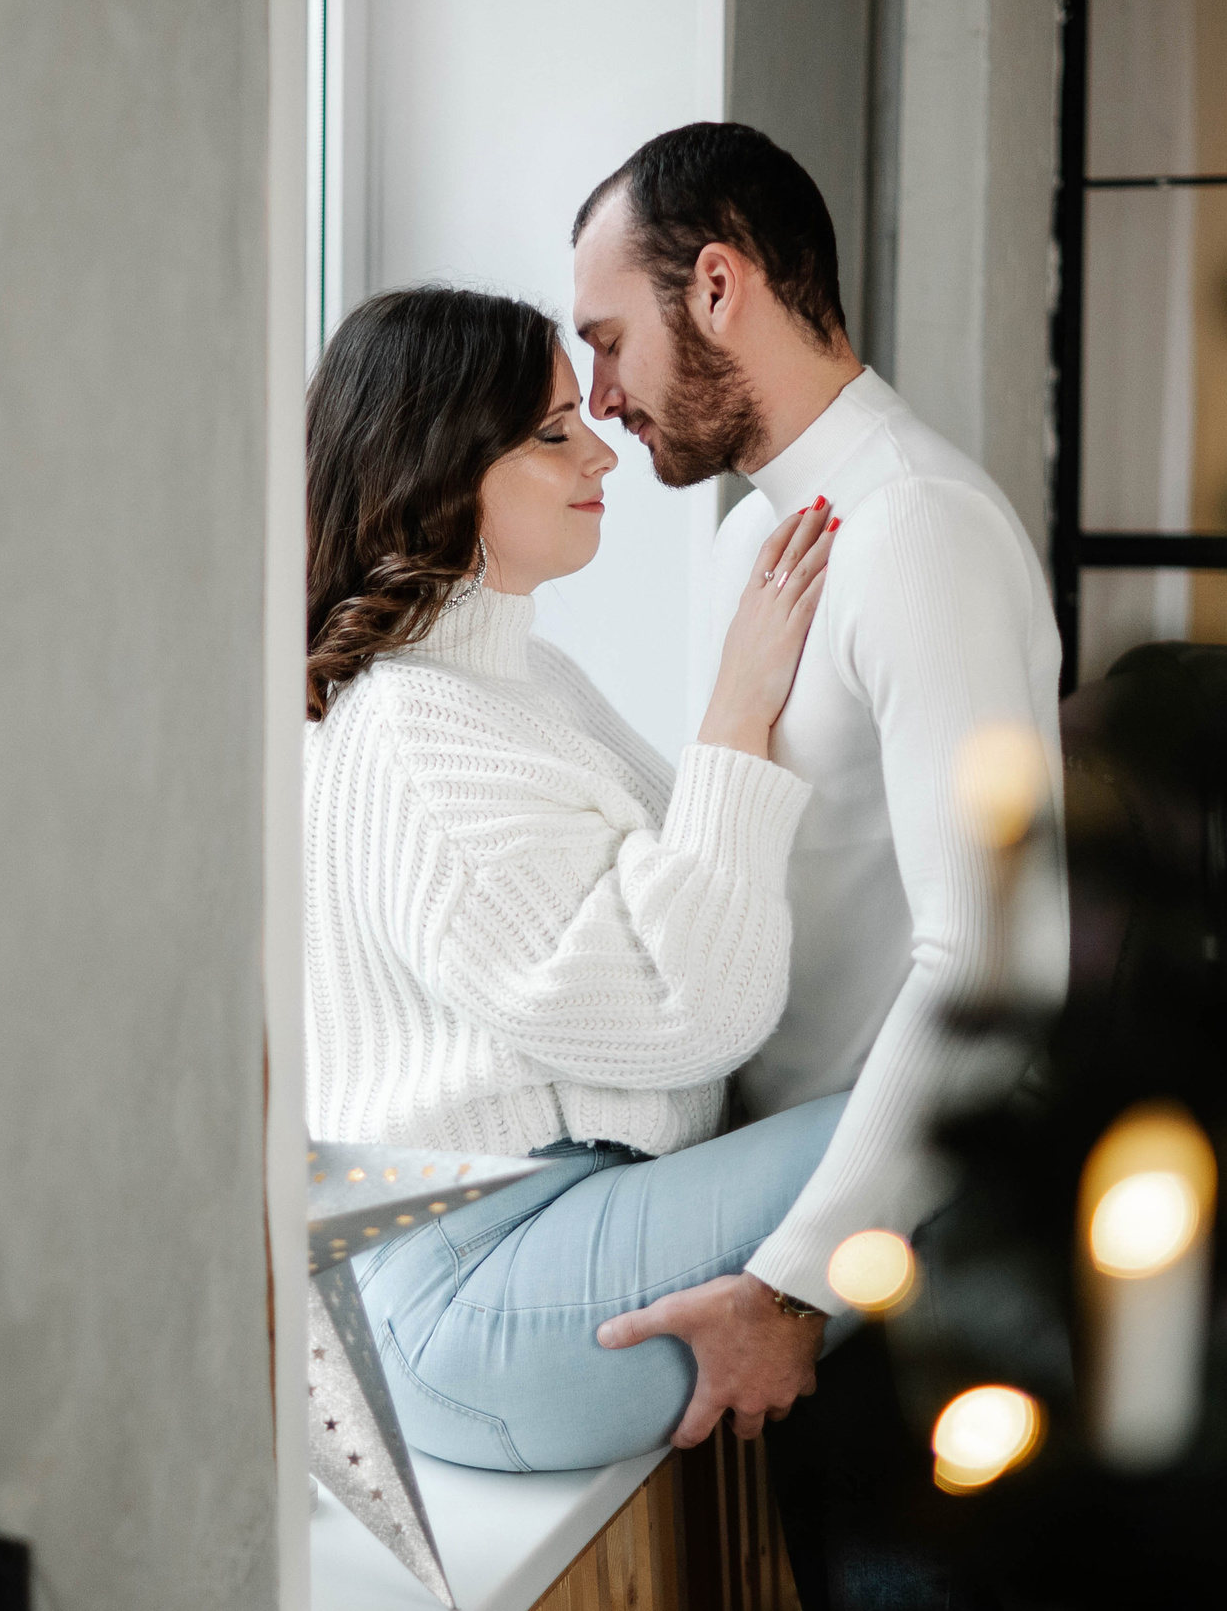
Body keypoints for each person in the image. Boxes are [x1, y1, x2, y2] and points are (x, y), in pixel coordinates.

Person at [568, 123, 1067, 1449]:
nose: (600, 395)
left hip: (912, 1261)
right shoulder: (753, 546)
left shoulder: (919, 530)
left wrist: (799, 1279)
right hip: (788, 1219)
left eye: (609, 339)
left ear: (719, 286)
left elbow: (1000, 963)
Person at [302, 284, 852, 1472]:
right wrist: (735, 710)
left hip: (561, 1237)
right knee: (959, 1114)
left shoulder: (517, 681)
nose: (602, 444)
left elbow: (671, 927)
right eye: (552, 430)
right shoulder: (415, 735)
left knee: (944, 1115)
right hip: (477, 1297)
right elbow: (691, 1007)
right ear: (438, 467)